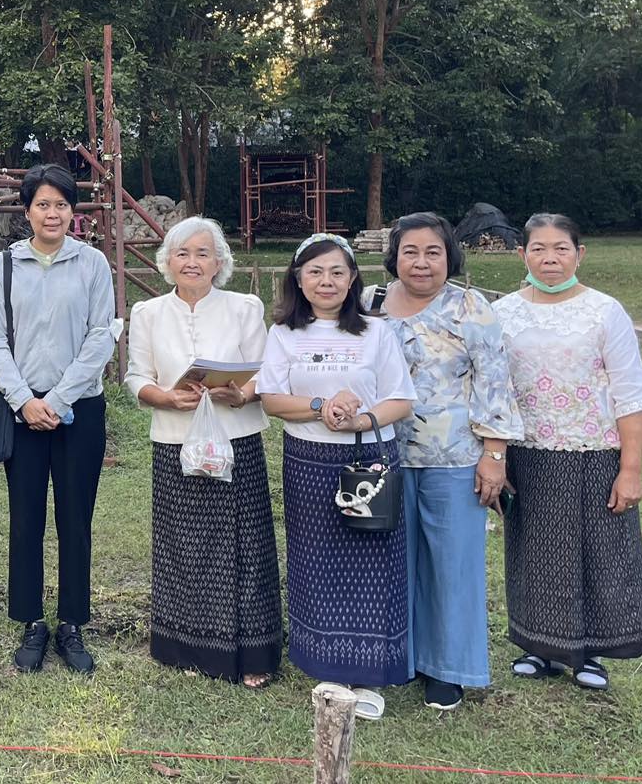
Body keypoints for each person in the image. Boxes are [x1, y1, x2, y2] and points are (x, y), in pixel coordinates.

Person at [493, 213, 642, 692]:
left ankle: (590, 653)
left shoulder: (605, 312)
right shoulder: (503, 314)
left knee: (598, 552)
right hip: (531, 451)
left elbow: (630, 393)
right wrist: (497, 455)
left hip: (594, 451)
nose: (550, 258)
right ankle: (539, 647)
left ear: (579, 254)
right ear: (522, 255)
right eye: (539, 248)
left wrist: (630, 469)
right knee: (536, 552)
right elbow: (494, 391)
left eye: (561, 248)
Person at [363, 212, 521, 711]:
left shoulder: (471, 306)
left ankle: (446, 669)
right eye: (410, 251)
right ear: (394, 255)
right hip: (382, 452)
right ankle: (397, 658)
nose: (422, 262)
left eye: (433, 251)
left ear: (449, 255)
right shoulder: (369, 304)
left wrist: (494, 455)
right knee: (388, 562)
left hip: (454, 457)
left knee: (452, 565)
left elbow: (495, 381)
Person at [258, 233, 415, 720]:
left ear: (352, 280)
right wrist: (323, 406)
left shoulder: (376, 332)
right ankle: (324, 662)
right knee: (316, 558)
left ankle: (369, 669)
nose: (326, 282)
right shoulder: (284, 333)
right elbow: (271, 398)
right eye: (315, 273)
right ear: (298, 281)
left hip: (369, 459)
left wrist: (362, 418)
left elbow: (401, 399)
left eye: (337, 273)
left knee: (372, 559)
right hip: (308, 460)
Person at [125, 217, 281, 688]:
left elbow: (266, 372)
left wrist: (243, 393)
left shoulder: (244, 307)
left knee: (246, 543)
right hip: (176, 440)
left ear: (220, 263)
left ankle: (253, 650)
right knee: (184, 546)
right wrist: (167, 397)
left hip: (236, 437)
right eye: (182, 254)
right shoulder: (148, 313)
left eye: (203, 254)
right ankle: (184, 644)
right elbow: (136, 377)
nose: (192, 263)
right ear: (167, 263)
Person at [0, 164, 115, 674]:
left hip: (79, 408)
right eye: (42, 204)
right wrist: (24, 400)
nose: (52, 213)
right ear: (27, 210)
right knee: (26, 517)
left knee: (75, 518)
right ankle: (32, 622)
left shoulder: (92, 263)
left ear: (71, 210)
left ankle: (72, 624)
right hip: (22, 409)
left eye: (61, 204)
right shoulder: (5, 265)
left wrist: (58, 401)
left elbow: (101, 336)